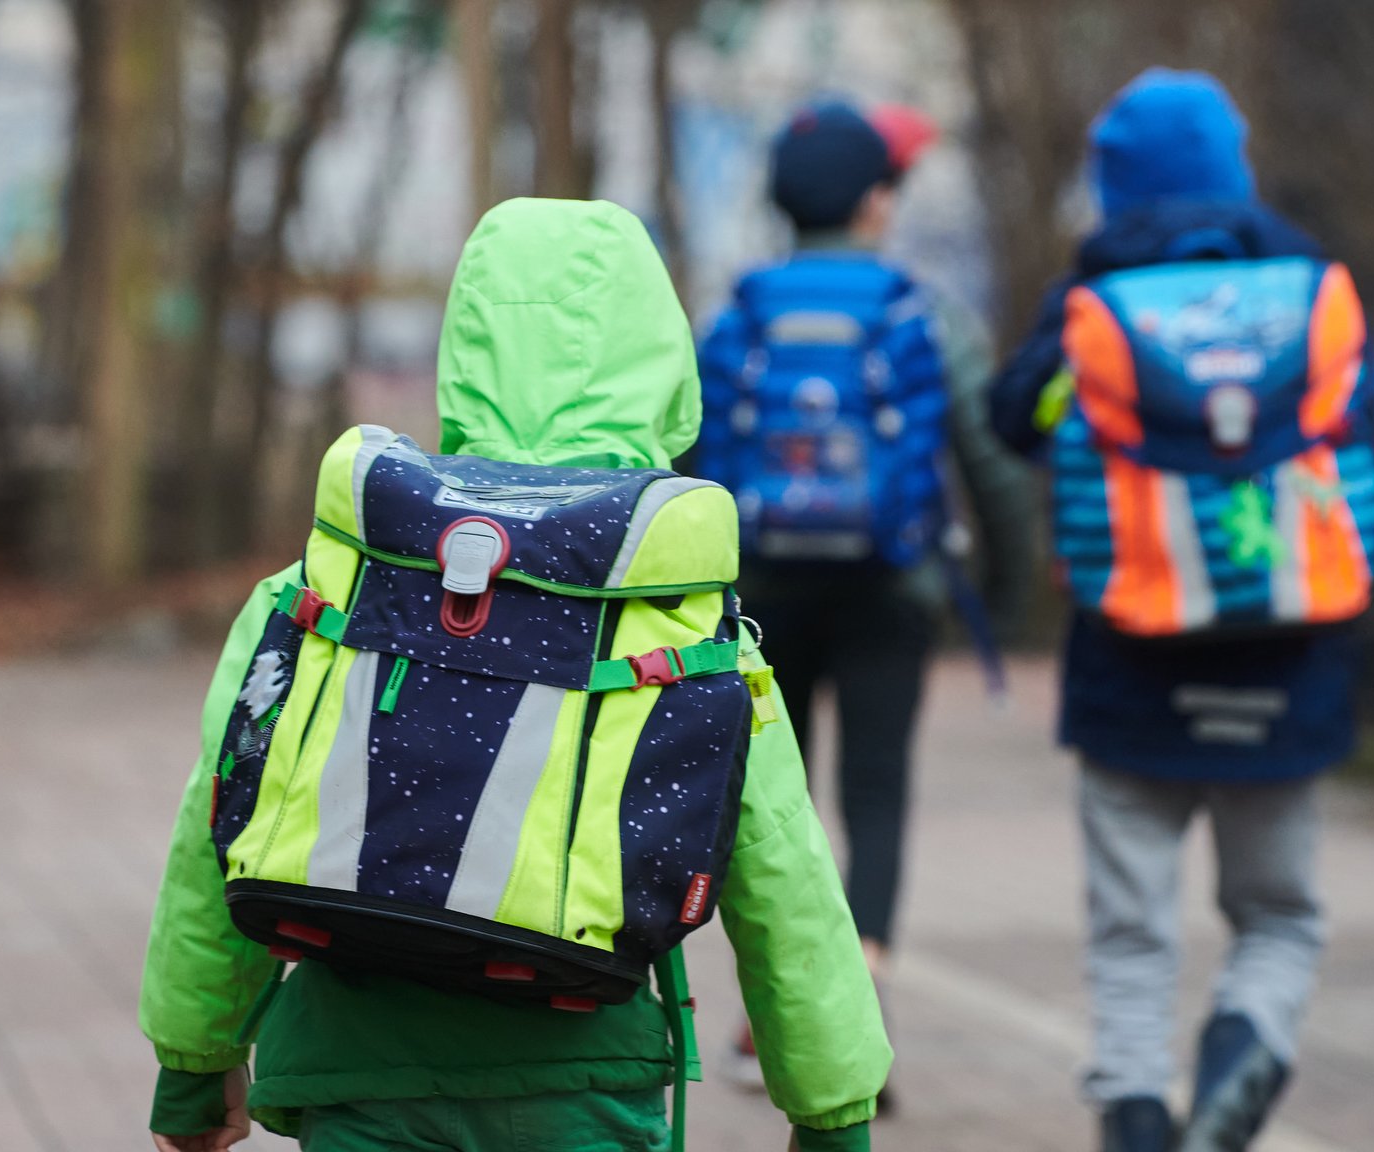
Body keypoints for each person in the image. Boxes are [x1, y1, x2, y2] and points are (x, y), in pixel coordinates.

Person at [140, 198, 890, 1152]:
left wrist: (194, 1071)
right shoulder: (678, 607)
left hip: (357, 1070)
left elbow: (222, 816)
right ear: (663, 370)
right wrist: (831, 1115)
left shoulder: (339, 577)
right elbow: (784, 877)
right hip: (586, 1075)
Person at [988, 69, 1374, 1152]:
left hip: (1126, 679)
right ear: (1234, 176)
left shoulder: (1091, 314)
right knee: (1275, 914)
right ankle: (1242, 1051)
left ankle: (1136, 1122)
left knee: (1130, 939)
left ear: (1112, 192)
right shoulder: (1314, 309)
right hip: (1288, 678)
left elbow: (1009, 421)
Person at [690, 99, 1034, 1086]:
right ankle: (860, 1005)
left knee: (770, 807)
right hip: (893, 586)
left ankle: (773, 1011)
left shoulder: (738, 317)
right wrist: (1002, 600)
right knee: (874, 795)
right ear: (877, 201)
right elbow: (990, 463)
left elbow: (684, 457)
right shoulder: (918, 313)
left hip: (761, 592)